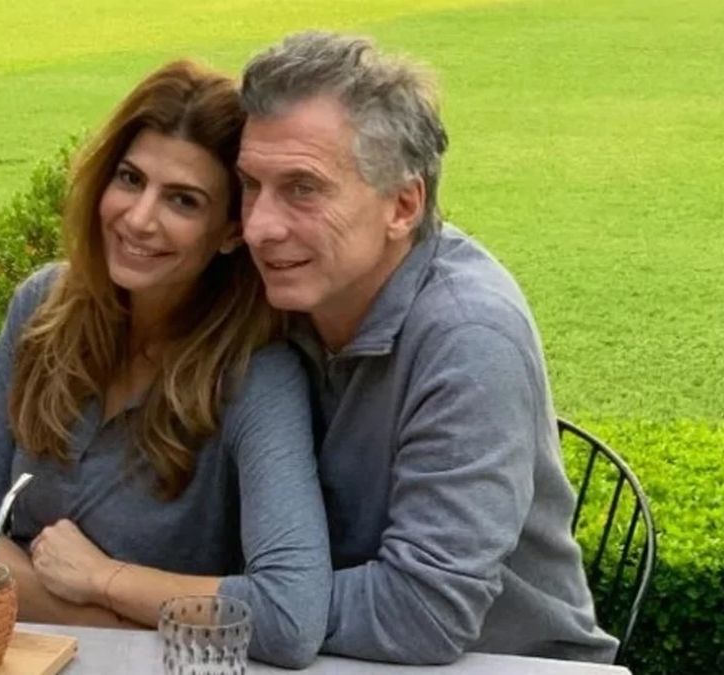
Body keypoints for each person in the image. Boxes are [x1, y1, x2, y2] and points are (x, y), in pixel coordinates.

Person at [236, 31, 620, 664]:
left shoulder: (470, 337)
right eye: (251, 184)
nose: (258, 227)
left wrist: (179, 598)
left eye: (303, 188)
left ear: (403, 205)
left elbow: (421, 613)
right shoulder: (283, 295)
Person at [0, 60, 330, 668]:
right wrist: (105, 623)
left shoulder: (256, 375)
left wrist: (104, 579)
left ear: (231, 232)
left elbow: (289, 615)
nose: (140, 219)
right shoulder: (41, 308)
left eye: (183, 200)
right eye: (130, 178)